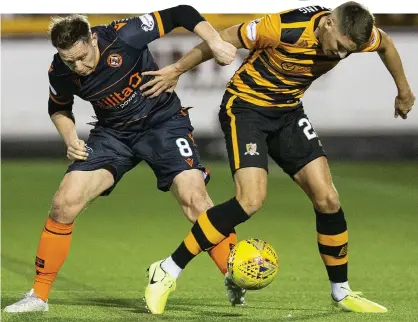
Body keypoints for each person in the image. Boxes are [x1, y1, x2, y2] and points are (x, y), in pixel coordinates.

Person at [141, 1, 415, 314]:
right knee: (251, 200)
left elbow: (388, 45)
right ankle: (166, 270)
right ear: (327, 24)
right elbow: (223, 38)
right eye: (339, 46)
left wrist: (404, 91)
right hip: (246, 109)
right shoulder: (282, 27)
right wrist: (177, 69)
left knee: (328, 199)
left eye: (348, 51)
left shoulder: (356, 35)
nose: (340, 54)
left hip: (287, 112)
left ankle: (342, 292)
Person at [3, 6, 243, 314]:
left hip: (162, 124)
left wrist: (215, 42)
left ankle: (235, 274)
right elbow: (58, 108)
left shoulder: (124, 35)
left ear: (91, 38)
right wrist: (71, 139)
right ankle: (38, 295)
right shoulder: (60, 70)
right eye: (69, 60)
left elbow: (180, 12)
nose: (78, 66)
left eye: (82, 57)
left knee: (195, 200)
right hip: (113, 135)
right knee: (65, 202)